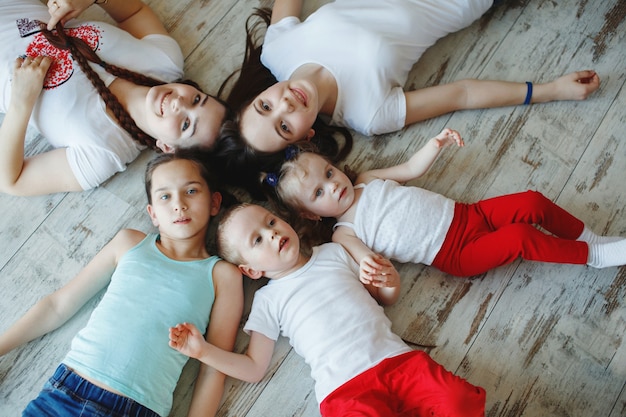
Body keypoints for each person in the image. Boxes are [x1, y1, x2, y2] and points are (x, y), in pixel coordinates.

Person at [169, 203, 486, 416]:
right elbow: (254, 368)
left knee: (457, 401)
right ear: (250, 270)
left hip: (398, 362)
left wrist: (389, 279)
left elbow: (382, 297)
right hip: (345, 389)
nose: (273, 233)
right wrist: (203, 351)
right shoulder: (268, 300)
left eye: (271, 222)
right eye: (258, 240)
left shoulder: (334, 253)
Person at [0, 151, 243, 417]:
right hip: (64, 394)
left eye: (192, 191)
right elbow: (57, 306)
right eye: (165, 196)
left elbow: (212, 370)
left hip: (135, 410)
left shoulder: (222, 276)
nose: (179, 205)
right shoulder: (130, 244)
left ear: (214, 202)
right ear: (153, 214)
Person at [214, 0, 600, 160]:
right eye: (283, 126)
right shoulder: (370, 113)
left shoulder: (277, 51)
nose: (285, 104)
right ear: (304, 138)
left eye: (265, 105)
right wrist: (550, 91)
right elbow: (462, 94)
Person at [262, 128, 626, 283]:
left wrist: (435, 144)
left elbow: (408, 169)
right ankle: (592, 257)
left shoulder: (367, 180)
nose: (333, 185)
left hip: (470, 213)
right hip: (456, 253)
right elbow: (368, 262)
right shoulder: (345, 233)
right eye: (319, 193)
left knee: (531, 201)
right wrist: (371, 268)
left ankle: (591, 238)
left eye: (328, 172)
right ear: (311, 214)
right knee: (519, 236)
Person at [0, 0, 229, 196]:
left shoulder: (103, 154)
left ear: (168, 147)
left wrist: (21, 103)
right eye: (197, 100)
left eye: (186, 124)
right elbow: (133, 12)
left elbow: (12, 181)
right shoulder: (165, 62)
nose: (180, 103)